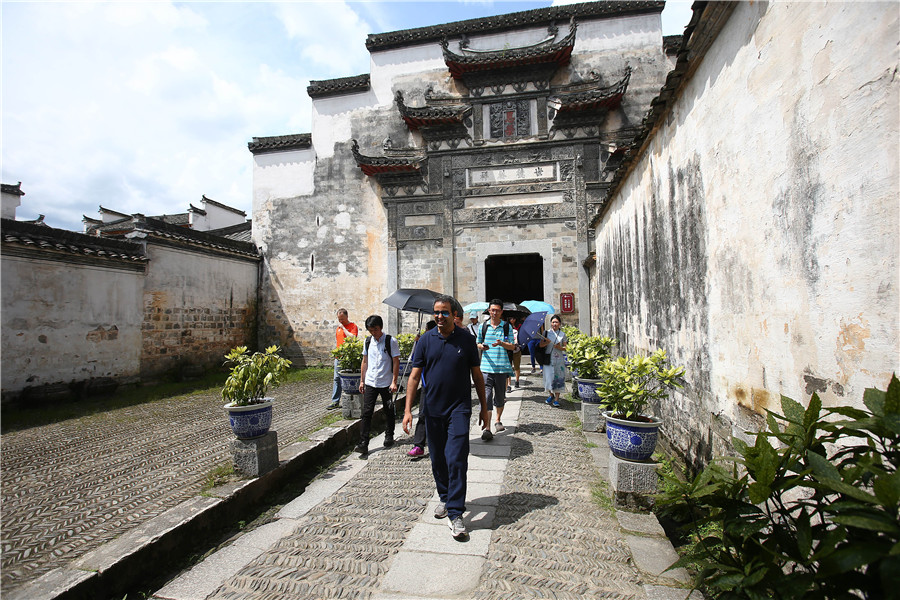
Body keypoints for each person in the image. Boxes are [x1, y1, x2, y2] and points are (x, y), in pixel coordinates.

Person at [402, 294, 488, 540]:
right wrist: (408, 410)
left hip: (459, 408)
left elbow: (477, 376)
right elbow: (414, 377)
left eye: (445, 312)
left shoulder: (467, 340)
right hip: (432, 409)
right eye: (436, 312)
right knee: (438, 459)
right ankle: (444, 496)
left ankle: (456, 512)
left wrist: (484, 408)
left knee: (457, 458)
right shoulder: (425, 341)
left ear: (454, 314)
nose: (440, 317)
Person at [355, 315, 400, 456]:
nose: (373, 333)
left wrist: (394, 381)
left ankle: (389, 435)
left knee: (388, 410)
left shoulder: (390, 341)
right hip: (371, 382)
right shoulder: (368, 342)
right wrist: (362, 380)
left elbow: (396, 361)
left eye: (375, 329)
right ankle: (363, 443)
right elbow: (364, 361)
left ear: (380, 327)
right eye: (370, 330)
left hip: (386, 382)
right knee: (367, 413)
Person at [475, 299, 517, 439]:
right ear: (489, 311)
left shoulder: (506, 327)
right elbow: (478, 343)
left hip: (501, 368)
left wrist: (502, 343)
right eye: (492, 310)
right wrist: (482, 346)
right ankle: (487, 427)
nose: (494, 313)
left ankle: (498, 419)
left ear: (501, 312)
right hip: (486, 367)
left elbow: (512, 346)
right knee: (486, 397)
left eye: (497, 310)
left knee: (499, 396)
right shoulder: (483, 326)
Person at [407, 320, 436, 458]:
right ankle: (418, 445)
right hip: (426, 385)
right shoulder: (423, 343)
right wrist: (417, 344)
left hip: (441, 386)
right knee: (423, 414)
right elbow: (414, 362)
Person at [329, 308, 358, 409]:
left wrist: (344, 329)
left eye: (342, 319)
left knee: (349, 378)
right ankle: (335, 401)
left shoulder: (353, 326)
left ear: (347, 316)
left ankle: (350, 399)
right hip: (339, 356)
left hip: (348, 357)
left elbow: (353, 338)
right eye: (339, 319)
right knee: (336, 378)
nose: (340, 321)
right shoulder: (338, 328)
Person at [540, 314, 568, 407]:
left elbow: (566, 347)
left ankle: (556, 399)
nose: (554, 324)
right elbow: (540, 345)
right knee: (548, 379)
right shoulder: (546, 333)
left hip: (558, 360)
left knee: (558, 379)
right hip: (548, 359)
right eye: (553, 322)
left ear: (559, 323)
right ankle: (550, 395)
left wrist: (560, 347)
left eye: (556, 322)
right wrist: (546, 342)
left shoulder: (562, 334)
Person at [508, 316, 522, 391]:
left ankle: (517, 380)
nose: (512, 319)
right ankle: (509, 384)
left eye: (513, 318)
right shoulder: (506, 326)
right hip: (509, 349)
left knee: (517, 366)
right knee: (509, 367)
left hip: (517, 349)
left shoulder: (519, 327)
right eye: (510, 318)